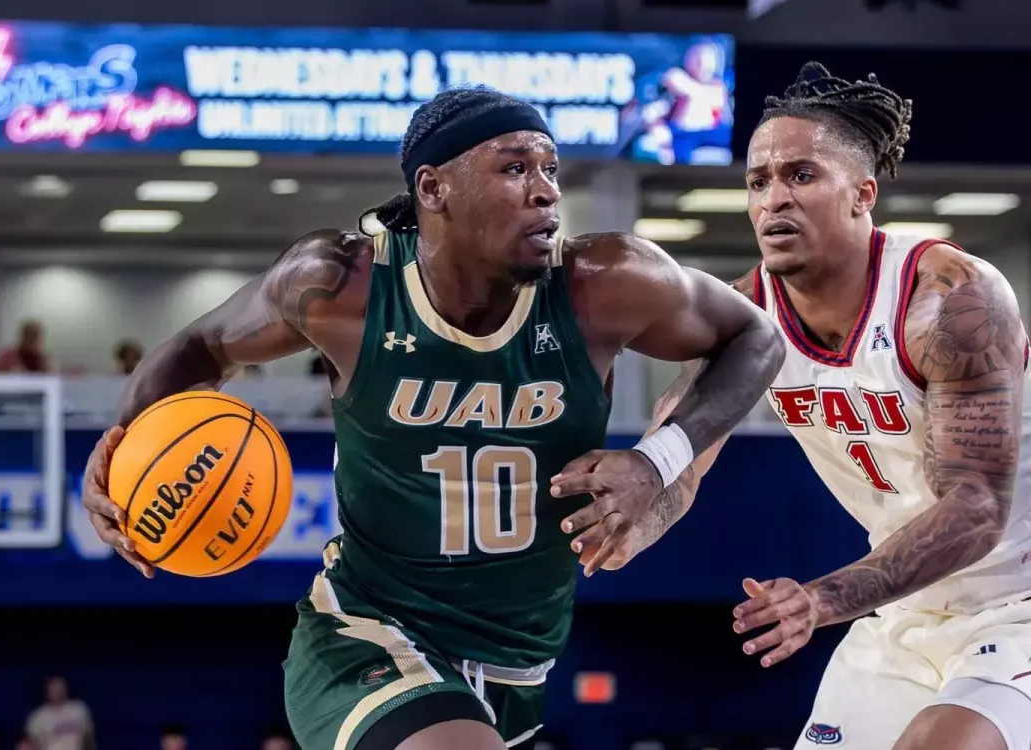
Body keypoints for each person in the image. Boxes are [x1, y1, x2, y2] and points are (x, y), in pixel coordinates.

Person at [81, 86, 784, 750]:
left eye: (550, 168)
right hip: (367, 630)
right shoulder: (340, 287)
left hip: (518, 663)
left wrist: (657, 461)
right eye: (514, 168)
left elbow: (757, 339)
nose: (547, 191)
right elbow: (198, 348)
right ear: (432, 188)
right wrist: (118, 452)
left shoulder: (606, 284)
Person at [635, 62, 1031, 750]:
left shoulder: (950, 297)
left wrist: (820, 599)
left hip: (1018, 605)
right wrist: (629, 514)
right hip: (903, 610)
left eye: (801, 175)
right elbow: (683, 451)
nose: (773, 200)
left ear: (862, 194)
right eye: (758, 182)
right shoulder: (749, 313)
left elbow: (976, 507)